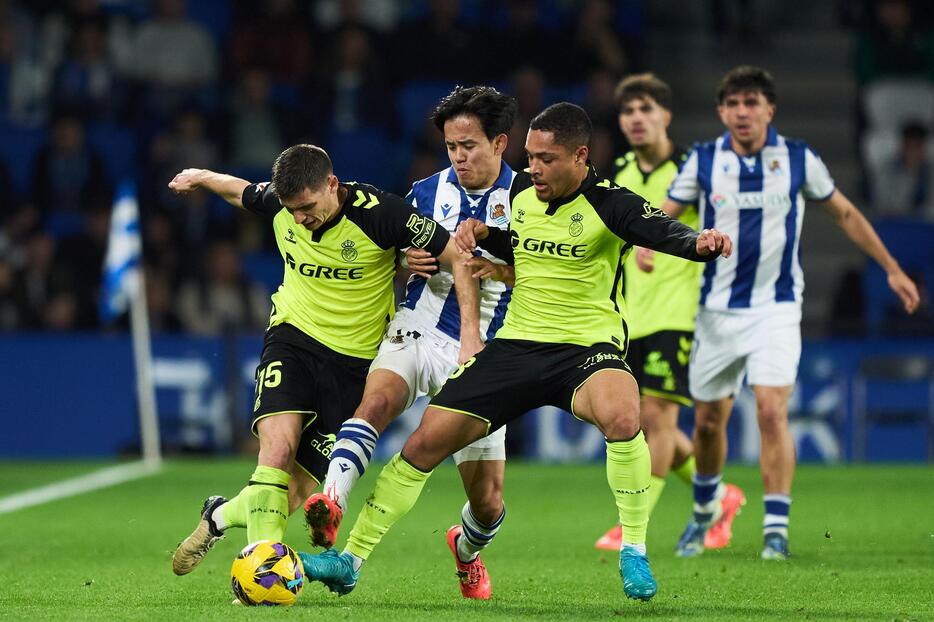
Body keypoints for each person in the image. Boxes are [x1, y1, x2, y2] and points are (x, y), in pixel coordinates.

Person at [299, 102, 732, 601]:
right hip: (516, 345)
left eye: (546, 159)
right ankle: (348, 561)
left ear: (580, 156)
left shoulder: (612, 203)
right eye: (530, 157)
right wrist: (488, 236)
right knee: (421, 445)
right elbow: (522, 242)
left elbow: (662, 230)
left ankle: (634, 548)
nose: (533, 169)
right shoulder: (522, 193)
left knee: (622, 412)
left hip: (585, 346)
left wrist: (700, 241)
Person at [168, 144, 468, 576]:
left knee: (292, 495)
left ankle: (217, 516)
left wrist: (410, 259)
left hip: (354, 364)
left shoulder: (382, 213)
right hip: (293, 339)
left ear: (332, 184)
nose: (299, 218)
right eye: (291, 210)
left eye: (307, 207)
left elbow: (454, 252)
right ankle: (262, 579)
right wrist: (200, 174)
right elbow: (241, 192)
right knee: (275, 450)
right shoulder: (283, 205)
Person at [659, 66, 920, 560]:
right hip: (716, 311)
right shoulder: (703, 160)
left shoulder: (798, 159)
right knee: (710, 424)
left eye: (751, 102)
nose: (742, 112)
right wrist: (648, 246)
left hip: (776, 309)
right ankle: (704, 512)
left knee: (772, 410)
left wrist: (890, 267)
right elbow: (666, 211)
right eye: (733, 103)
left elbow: (843, 212)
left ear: (769, 109)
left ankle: (775, 527)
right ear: (721, 112)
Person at [302, 85, 517, 600]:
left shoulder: (531, 198)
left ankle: (465, 549)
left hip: (484, 349)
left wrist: (502, 269)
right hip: (418, 324)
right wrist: (405, 262)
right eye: (450, 147)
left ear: (500, 142)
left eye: (469, 145)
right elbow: (391, 250)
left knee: (487, 503)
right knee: (376, 402)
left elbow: (550, 273)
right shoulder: (424, 192)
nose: (459, 156)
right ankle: (334, 510)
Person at [594, 73, 746, 553]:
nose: (635, 120)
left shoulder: (692, 172)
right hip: (625, 316)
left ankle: (630, 526)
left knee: (655, 419)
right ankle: (721, 496)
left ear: (666, 116)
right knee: (645, 424)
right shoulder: (617, 170)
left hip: (678, 315)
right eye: (627, 112)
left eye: (645, 109)